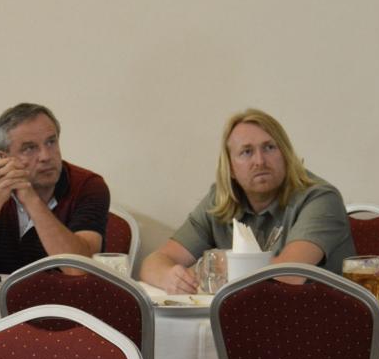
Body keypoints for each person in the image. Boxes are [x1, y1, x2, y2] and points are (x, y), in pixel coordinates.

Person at [140, 108, 355, 293]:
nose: (259, 161)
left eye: (269, 147)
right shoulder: (220, 200)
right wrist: (170, 277)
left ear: (286, 155)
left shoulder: (320, 199)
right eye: (246, 152)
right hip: (246, 321)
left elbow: (287, 275)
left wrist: (215, 267)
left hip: (316, 321)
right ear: (231, 168)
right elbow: (153, 263)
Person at [0, 103, 109, 276]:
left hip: (62, 294)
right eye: (29, 148)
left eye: (51, 142)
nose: (45, 156)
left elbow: (80, 269)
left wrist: (31, 200)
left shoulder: (88, 186)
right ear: (4, 157)